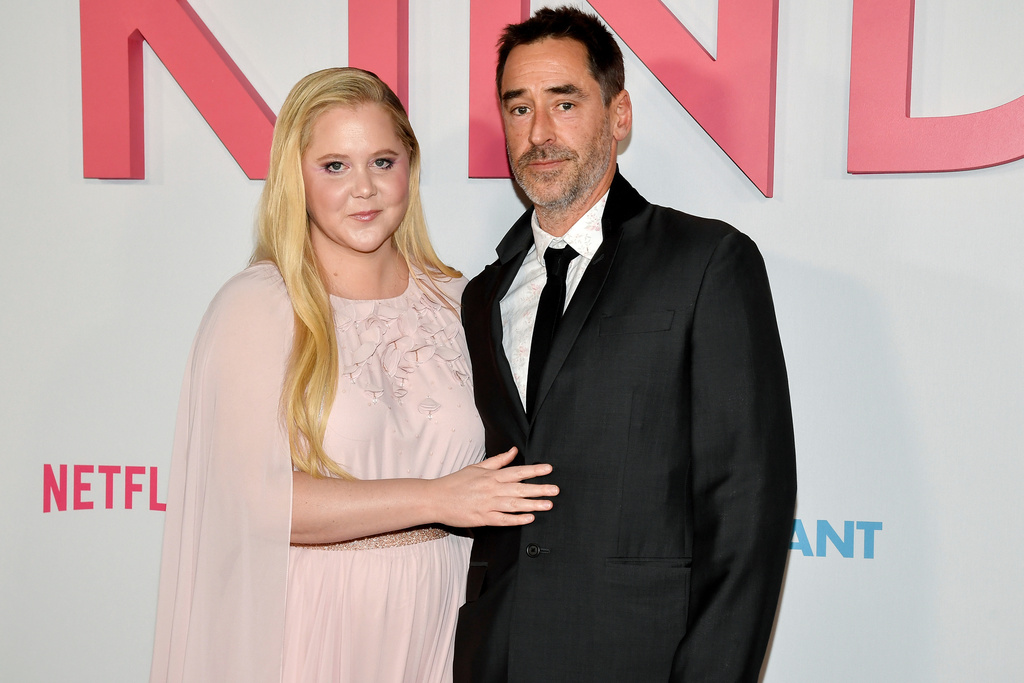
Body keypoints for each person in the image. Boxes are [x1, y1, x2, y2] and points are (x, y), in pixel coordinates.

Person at [149, 67, 558, 683]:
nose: (363, 189)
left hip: (445, 619)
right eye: (334, 166)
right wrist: (438, 498)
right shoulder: (260, 304)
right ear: (297, 176)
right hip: (314, 619)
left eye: (383, 162)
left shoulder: (464, 303)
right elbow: (253, 501)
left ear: (410, 171)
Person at [454, 7, 797, 682]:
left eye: (565, 102)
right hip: (499, 656)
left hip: (642, 658)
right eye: (518, 109)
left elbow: (747, 498)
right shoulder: (484, 295)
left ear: (619, 116)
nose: (540, 133)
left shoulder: (707, 263)